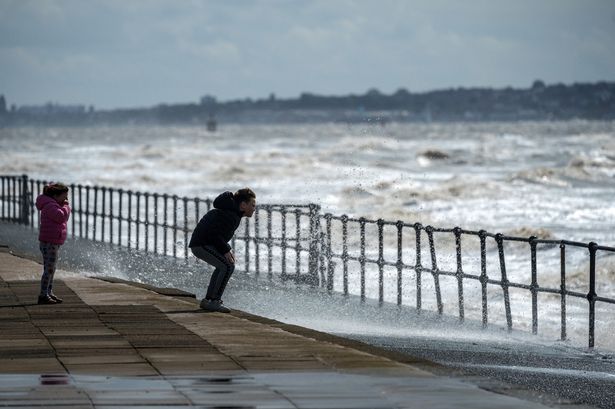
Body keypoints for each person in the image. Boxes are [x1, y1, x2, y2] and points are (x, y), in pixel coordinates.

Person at [189, 188, 256, 312]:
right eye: (252, 205)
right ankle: (214, 301)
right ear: (243, 205)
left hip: (205, 244)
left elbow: (217, 234)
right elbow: (214, 234)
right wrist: (226, 250)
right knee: (227, 266)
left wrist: (225, 249)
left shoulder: (232, 212)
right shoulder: (230, 214)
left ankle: (209, 300)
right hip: (201, 245)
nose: (254, 208)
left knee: (225, 265)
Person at [35, 183, 71, 305]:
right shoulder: (50, 205)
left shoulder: (52, 204)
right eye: (64, 197)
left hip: (51, 241)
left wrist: (63, 205)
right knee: (49, 269)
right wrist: (66, 206)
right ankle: (43, 295)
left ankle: (48, 292)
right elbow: (61, 217)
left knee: (51, 269)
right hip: (50, 242)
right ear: (55, 195)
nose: (66, 199)